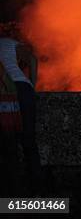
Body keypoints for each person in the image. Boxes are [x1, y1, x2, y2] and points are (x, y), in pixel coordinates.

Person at [0, 23, 42, 195]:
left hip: (3, 93)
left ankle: (13, 194)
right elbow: (32, 59)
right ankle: (37, 192)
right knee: (29, 142)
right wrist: (32, 84)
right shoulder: (9, 43)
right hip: (21, 88)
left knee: (8, 146)